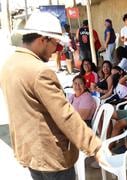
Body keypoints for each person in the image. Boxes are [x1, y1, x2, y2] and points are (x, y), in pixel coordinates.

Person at [0, 12, 102, 180]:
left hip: (30, 153)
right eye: (55, 43)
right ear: (42, 39)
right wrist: (95, 147)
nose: (57, 50)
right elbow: (65, 115)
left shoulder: (8, 65)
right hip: (52, 157)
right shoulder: (40, 71)